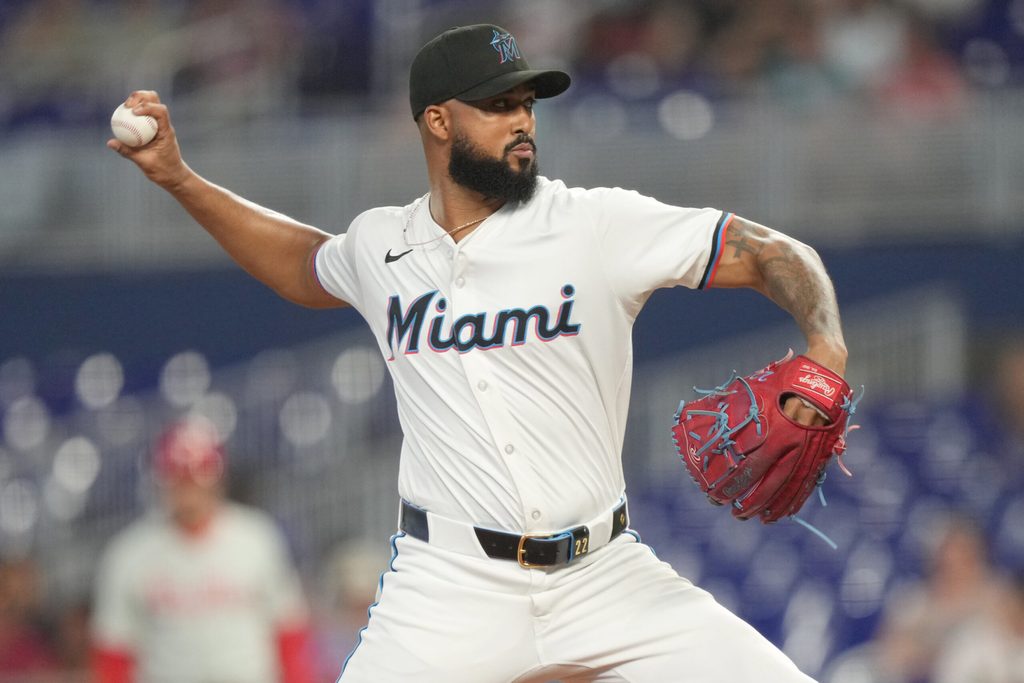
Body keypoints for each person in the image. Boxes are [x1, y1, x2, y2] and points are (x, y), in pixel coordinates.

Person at [107, 23, 848, 683]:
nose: (522, 121)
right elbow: (302, 266)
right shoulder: (381, 245)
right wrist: (179, 178)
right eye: (498, 105)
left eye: (527, 103)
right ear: (437, 119)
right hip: (449, 585)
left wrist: (827, 347)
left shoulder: (594, 223)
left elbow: (772, 252)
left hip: (605, 575)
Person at [90, 417, 315, 683]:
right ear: (162, 480)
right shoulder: (129, 553)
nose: (190, 491)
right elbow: (113, 651)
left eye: (198, 476)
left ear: (218, 479)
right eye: (179, 478)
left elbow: (289, 630)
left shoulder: (256, 537)